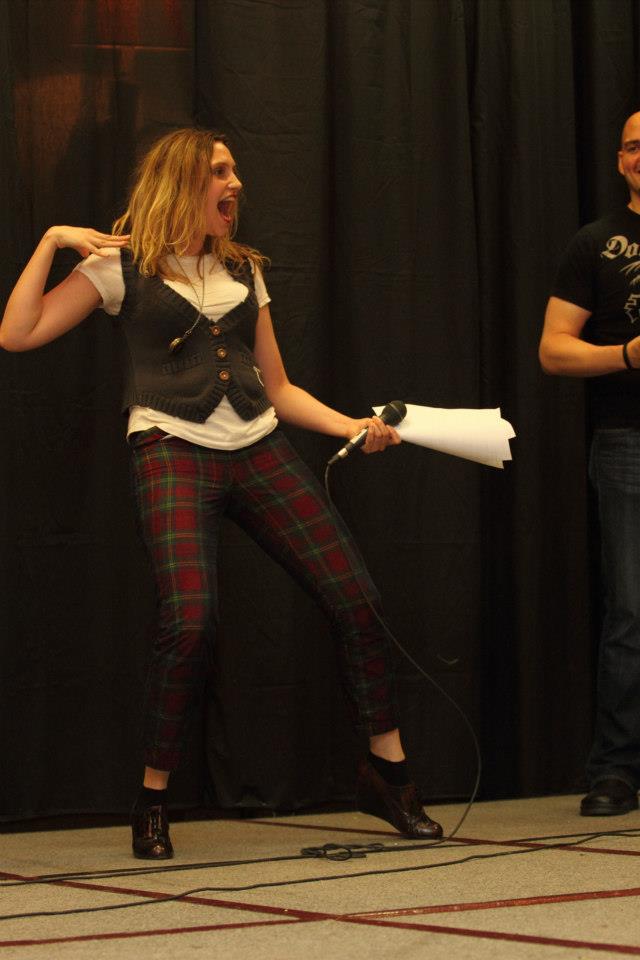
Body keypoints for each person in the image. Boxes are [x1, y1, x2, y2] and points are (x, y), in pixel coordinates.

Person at [0, 127, 442, 857]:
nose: (235, 183)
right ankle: (152, 798)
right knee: (191, 621)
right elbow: (18, 334)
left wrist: (352, 426)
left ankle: (388, 776)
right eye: (220, 171)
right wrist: (51, 241)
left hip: (257, 449)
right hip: (170, 449)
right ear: (182, 182)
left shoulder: (244, 270)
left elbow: (279, 387)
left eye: (235, 171)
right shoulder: (121, 268)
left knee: (356, 598)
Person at [539, 111, 640, 817]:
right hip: (628, 440)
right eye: (633, 146)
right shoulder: (594, 243)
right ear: (620, 160)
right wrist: (628, 354)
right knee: (631, 611)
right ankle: (616, 769)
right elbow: (553, 349)